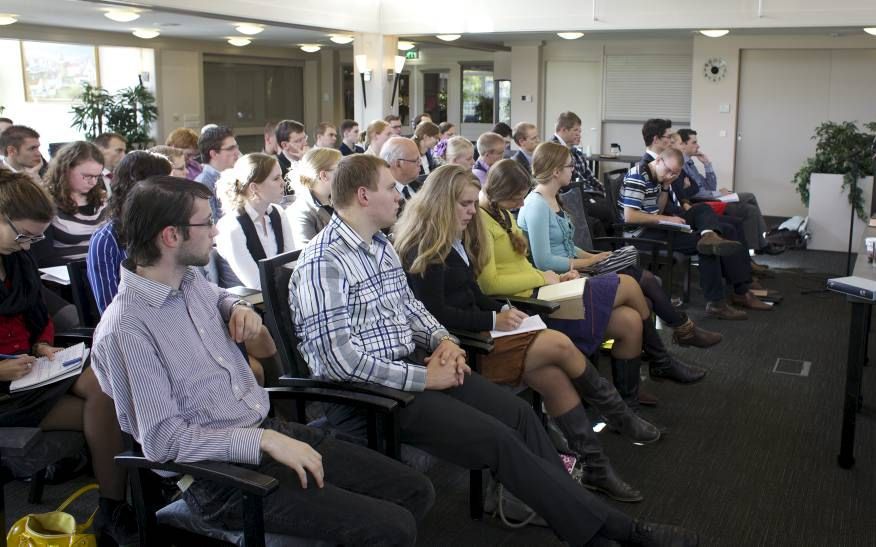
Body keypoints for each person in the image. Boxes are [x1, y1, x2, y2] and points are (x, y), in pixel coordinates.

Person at [289, 154, 697, 546]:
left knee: (519, 414)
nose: (400, 196)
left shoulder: (376, 246)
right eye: (390, 189)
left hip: (414, 369)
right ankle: (612, 529)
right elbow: (337, 362)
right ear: (363, 196)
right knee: (499, 439)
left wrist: (442, 340)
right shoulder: (323, 261)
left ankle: (588, 522)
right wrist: (425, 376)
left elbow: (412, 310)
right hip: (375, 396)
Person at [91, 175, 434, 544]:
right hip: (217, 478)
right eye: (206, 222)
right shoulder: (127, 328)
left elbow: (219, 294)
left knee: (416, 490)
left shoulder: (186, 281)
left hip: (265, 431)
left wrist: (237, 306)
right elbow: (164, 441)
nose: (215, 231)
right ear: (170, 236)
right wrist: (262, 442)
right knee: (393, 527)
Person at [396, 164, 660, 502]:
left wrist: (499, 311)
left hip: (478, 333)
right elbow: (435, 315)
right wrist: (493, 319)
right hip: (459, 349)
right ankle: (617, 415)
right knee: (559, 345)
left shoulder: (451, 237)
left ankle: (595, 464)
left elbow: (473, 293)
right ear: (440, 203)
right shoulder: (424, 247)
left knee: (553, 376)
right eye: (463, 204)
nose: (469, 211)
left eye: (471, 203)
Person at [0, 170, 136, 544]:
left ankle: (115, 505)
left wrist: (43, 345)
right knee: (109, 408)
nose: (28, 246)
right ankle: (116, 506)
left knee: (107, 384)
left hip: (27, 368)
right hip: (5, 386)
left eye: (35, 238)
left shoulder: (15, 261)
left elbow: (37, 316)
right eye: (22, 235)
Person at [477, 159, 673, 408]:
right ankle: (663, 359)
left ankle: (629, 398)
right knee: (629, 283)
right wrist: (545, 277)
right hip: (529, 304)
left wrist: (558, 278)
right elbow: (489, 284)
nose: (521, 204)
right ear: (500, 192)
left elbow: (523, 263)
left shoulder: (502, 213)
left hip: (543, 289)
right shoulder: (482, 223)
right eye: (516, 198)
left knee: (630, 322)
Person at [519, 142, 715, 378]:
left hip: (573, 273)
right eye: (570, 166)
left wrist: (594, 256)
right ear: (555, 171)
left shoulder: (554, 198)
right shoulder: (537, 205)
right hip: (558, 283)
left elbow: (569, 247)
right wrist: (589, 263)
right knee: (640, 282)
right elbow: (544, 261)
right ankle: (672, 344)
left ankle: (645, 377)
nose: (574, 170)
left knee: (638, 308)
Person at [619, 148, 771, 319]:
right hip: (642, 235)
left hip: (656, 225)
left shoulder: (660, 177)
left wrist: (665, 186)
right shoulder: (638, 176)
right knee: (706, 247)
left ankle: (709, 235)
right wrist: (667, 219)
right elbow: (629, 217)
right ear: (659, 160)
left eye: (674, 174)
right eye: (668, 170)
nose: (670, 175)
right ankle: (719, 302)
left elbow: (657, 210)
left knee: (702, 211)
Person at [87, 151, 173, 313]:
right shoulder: (106, 240)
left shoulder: (170, 230)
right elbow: (111, 309)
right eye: (168, 185)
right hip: (136, 327)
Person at [675, 128, 775, 255]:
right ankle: (761, 245)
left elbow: (710, 186)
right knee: (750, 202)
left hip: (711, 197)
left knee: (750, 203)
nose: (698, 145)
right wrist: (719, 194)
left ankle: (761, 243)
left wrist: (707, 164)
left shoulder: (691, 164)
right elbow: (695, 193)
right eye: (694, 142)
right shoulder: (682, 164)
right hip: (704, 201)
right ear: (683, 145)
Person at [215, 154, 292, 289]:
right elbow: (256, 284)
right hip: (248, 304)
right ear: (254, 187)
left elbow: (291, 263)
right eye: (276, 178)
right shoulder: (232, 226)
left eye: (281, 176)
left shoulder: (278, 213)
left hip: (279, 297)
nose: (283, 183)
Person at [33, 142, 108, 267]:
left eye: (97, 176)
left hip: (100, 268)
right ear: (65, 170)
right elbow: (43, 257)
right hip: (64, 275)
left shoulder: (100, 197)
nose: (93, 182)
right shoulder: (44, 200)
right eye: (87, 176)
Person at [551, 112, 614, 239]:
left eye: (579, 131)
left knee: (611, 206)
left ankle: (609, 248)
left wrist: (603, 191)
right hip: (570, 198)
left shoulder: (574, 150)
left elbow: (589, 177)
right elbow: (568, 184)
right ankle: (608, 249)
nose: (579, 134)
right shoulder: (553, 149)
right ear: (563, 130)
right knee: (608, 213)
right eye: (576, 130)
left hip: (583, 194)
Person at [286, 147, 340, 249]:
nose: (345, 174)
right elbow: (307, 256)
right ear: (324, 175)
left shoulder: (336, 201)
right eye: (340, 169)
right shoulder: (301, 212)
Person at [195, 125, 240, 219]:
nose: (237, 152)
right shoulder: (203, 184)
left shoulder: (236, 176)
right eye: (231, 148)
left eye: (236, 147)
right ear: (214, 154)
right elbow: (211, 224)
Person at [93, 132, 127, 197]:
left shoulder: (124, 176)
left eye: (124, 151)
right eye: (119, 150)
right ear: (100, 150)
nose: (124, 156)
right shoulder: (88, 178)